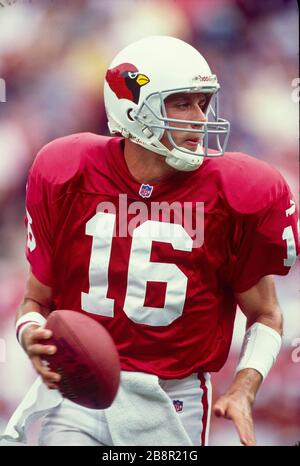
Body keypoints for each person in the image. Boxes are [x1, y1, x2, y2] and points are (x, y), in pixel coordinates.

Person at [1, 35, 299, 447]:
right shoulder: (68, 170)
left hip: (170, 400)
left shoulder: (234, 190)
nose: (198, 118)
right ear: (131, 108)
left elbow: (266, 314)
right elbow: (36, 301)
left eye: (202, 103)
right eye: (181, 103)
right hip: (77, 392)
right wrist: (30, 333)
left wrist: (244, 389)